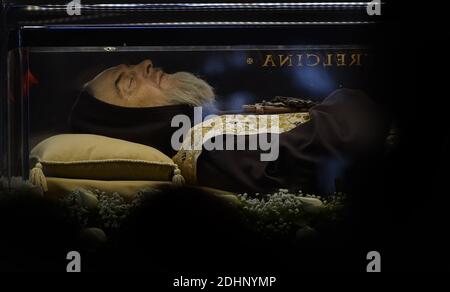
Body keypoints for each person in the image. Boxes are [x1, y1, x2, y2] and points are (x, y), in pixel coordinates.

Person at [69, 59, 388, 193]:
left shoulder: (207, 132)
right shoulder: (208, 148)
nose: (144, 65)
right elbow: (344, 136)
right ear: (128, 125)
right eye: (128, 82)